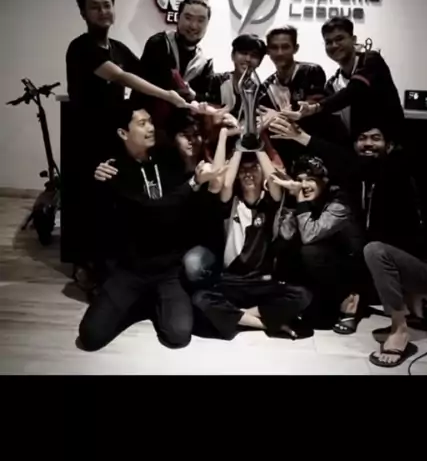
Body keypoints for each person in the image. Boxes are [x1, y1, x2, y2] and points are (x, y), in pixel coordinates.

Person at [268, 114, 427, 363]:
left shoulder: (396, 170)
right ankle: (403, 310)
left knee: (373, 250)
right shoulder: (360, 183)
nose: (368, 143)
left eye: (376, 138)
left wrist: (302, 137)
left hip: (420, 270)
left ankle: (399, 330)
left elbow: (351, 164)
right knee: (356, 251)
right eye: (362, 138)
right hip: (383, 268)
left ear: (390, 145)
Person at [65, 0, 190, 286]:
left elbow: (146, 73)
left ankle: (110, 263)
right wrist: (166, 94)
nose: (102, 11)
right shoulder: (81, 48)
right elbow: (122, 77)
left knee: (110, 201)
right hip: (84, 138)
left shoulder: (118, 48)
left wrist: (181, 89)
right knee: (86, 200)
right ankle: (83, 266)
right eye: (94, 7)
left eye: (107, 5)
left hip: (113, 136)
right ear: (82, 12)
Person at [78, 102, 223, 352]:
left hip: (168, 269)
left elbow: (181, 205)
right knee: (90, 336)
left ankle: (149, 302)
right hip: (131, 270)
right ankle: (140, 302)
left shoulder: (168, 159)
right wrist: (192, 185)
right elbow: (148, 210)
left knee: (178, 335)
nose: (151, 128)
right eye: (142, 123)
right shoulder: (114, 171)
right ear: (123, 133)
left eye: (151, 122)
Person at [191, 129, 312, 340]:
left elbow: (274, 180)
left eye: (254, 168)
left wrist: (258, 144)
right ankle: (266, 323)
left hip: (262, 282)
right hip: (232, 282)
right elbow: (225, 184)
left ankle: (237, 317)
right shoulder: (231, 203)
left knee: (302, 295)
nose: (248, 173)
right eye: (243, 170)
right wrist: (238, 146)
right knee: (200, 298)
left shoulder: (270, 203)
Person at [273, 156, 365, 330]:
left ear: (325, 181)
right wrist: (288, 201)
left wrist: (300, 202)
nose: (304, 185)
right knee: (285, 248)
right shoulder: (305, 201)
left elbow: (309, 235)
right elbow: (286, 236)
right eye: (300, 180)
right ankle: (303, 301)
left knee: (310, 252)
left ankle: (347, 303)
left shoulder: (339, 203)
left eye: (310, 180)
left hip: (348, 270)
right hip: (320, 267)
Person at [288, 17, 404, 143]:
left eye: (339, 39)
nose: (334, 45)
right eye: (328, 42)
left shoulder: (371, 60)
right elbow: (327, 110)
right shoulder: (333, 83)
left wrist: (316, 107)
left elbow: (355, 90)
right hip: (356, 148)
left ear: (353, 40)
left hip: (389, 147)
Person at [257, 24, 349, 171]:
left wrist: (276, 115)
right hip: (289, 155)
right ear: (268, 51)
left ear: (295, 48)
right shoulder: (265, 87)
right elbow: (269, 124)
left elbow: (307, 113)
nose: (280, 52)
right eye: (274, 47)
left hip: (320, 149)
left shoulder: (312, 71)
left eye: (285, 47)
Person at [136, 0, 214, 109]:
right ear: (177, 18)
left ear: (207, 24)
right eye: (188, 18)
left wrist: (193, 95)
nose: (193, 26)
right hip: (149, 117)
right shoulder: (159, 44)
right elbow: (139, 86)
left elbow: (206, 98)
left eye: (200, 20)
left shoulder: (205, 63)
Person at [206, 33, 267, 119]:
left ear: (260, 62)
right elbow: (211, 117)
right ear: (233, 55)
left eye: (254, 55)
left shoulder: (260, 91)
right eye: (243, 53)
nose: (248, 59)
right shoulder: (217, 81)